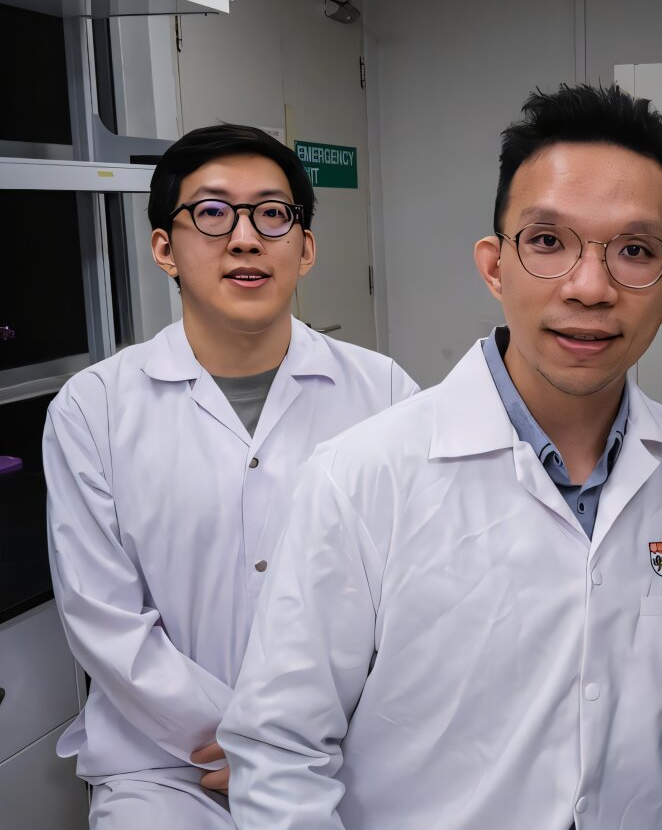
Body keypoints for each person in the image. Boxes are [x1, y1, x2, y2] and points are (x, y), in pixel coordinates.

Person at [219, 85, 662, 829]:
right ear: (494, 266)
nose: (591, 287)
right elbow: (280, 753)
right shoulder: (360, 480)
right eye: (547, 241)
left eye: (635, 251)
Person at [43, 124, 419, 829]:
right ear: (164, 248)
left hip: (344, 750)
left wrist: (294, 744)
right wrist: (254, 741)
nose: (245, 238)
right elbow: (106, 620)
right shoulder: (93, 409)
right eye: (212, 213)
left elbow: (414, 595)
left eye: (272, 214)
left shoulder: (386, 394)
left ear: (303, 247)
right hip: (164, 766)